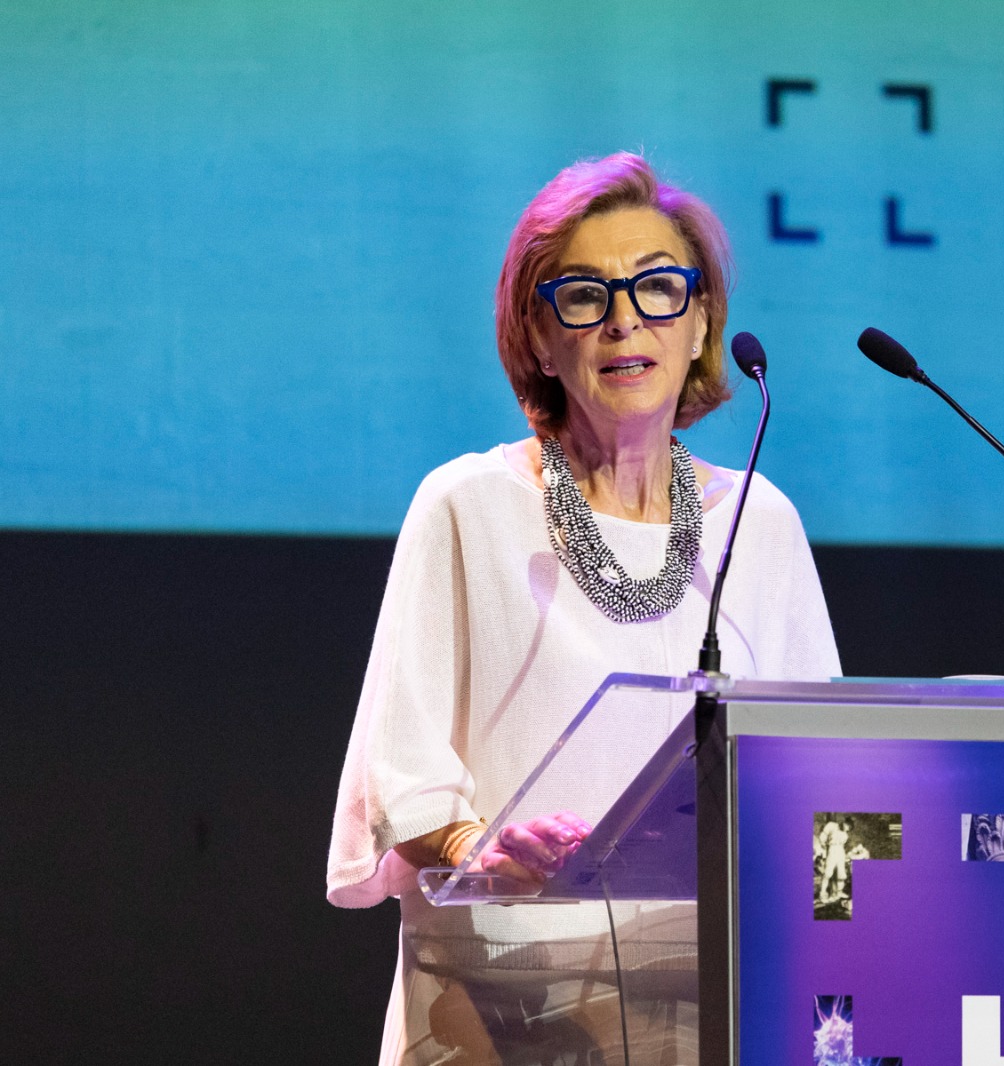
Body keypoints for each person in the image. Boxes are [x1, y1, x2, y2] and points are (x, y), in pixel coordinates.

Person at [326, 152, 841, 1065]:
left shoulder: (759, 523)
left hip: (719, 1013)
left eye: (657, 288)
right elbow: (400, 773)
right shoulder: (469, 508)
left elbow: (829, 787)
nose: (623, 320)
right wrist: (482, 849)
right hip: (504, 1012)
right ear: (538, 335)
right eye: (584, 296)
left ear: (701, 322)